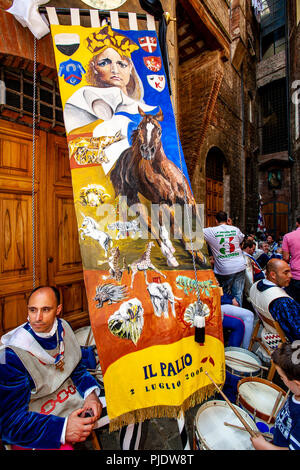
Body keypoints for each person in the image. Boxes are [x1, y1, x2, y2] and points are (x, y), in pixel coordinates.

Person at [0, 286, 141, 450]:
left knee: (133, 410)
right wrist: (63, 429)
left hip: (73, 398)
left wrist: (90, 395)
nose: (37, 318)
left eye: (45, 309)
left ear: (58, 309)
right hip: (40, 417)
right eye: (33, 310)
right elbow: (9, 423)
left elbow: (77, 368)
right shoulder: (9, 355)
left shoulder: (63, 327)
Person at [251, 342, 300, 450]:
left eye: (282, 377)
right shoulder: (296, 392)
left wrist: (264, 446)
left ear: (297, 383)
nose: (281, 379)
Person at [249, 259, 300, 343]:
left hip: (268, 329)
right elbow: (296, 332)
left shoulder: (256, 285)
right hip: (282, 340)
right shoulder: (282, 302)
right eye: (285, 272)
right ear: (273, 275)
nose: (290, 275)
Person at [203, 211, 246, 307]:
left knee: (226, 295)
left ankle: (227, 315)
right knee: (238, 294)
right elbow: (241, 239)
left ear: (216, 220)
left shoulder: (210, 231)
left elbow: (194, 233)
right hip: (240, 266)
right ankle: (239, 315)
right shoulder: (235, 229)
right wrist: (231, 225)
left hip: (224, 268)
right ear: (227, 220)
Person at [282, 216, 300, 304]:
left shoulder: (288, 237)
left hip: (296, 275)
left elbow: (285, 258)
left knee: (295, 304)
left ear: (297, 223)